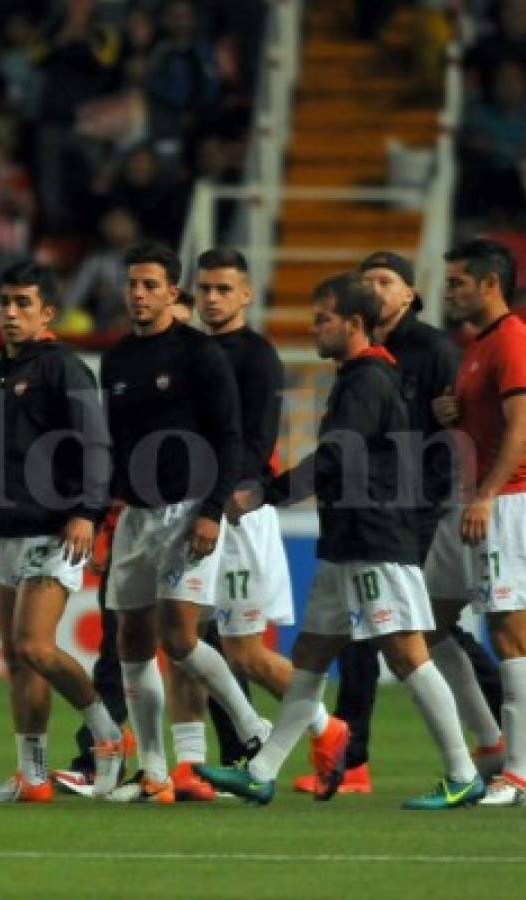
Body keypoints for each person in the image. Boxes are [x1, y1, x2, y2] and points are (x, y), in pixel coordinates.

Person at [197, 273, 484, 810]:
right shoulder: (360, 377)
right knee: (309, 654)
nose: (313, 327)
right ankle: (262, 771)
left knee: (406, 655)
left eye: (322, 319)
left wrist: (266, 492)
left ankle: (463, 771)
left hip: (374, 538)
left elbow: (337, 458)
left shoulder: (367, 381)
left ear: (354, 324)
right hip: (346, 541)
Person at [294, 251, 503, 795]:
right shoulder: (359, 364)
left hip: (418, 510)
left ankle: (484, 747)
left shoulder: (432, 349)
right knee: (387, 636)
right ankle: (354, 756)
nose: (377, 289)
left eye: (386, 282)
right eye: (368, 282)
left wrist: (433, 501)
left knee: (421, 634)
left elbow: (449, 435)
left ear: (409, 293)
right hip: (373, 514)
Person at [101, 242, 268, 805]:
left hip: (187, 509)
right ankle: (154, 771)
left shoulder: (200, 354)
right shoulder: (117, 358)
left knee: (178, 638)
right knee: (131, 640)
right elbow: (113, 444)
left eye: (150, 285)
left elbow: (230, 437)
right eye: (133, 285)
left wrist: (212, 511)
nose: (139, 294)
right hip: (135, 514)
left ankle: (252, 727)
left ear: (174, 294)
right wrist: (106, 512)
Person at [183, 248, 343, 801]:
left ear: (246, 295)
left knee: (244, 651)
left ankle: (325, 727)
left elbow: (255, 438)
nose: (211, 299)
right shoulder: (194, 351)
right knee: (183, 640)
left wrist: (228, 497)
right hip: (193, 509)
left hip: (235, 514)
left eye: (223, 290)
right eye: (204, 289)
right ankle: (191, 764)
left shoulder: (256, 356)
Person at [0, 261, 122, 804]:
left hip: (56, 529)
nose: (10, 313)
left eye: (23, 304)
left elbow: (95, 444)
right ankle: (32, 777)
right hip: (5, 533)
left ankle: (107, 733)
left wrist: (87, 512)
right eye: (4, 303)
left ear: (48, 312)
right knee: (18, 658)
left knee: (36, 643)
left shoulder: (64, 370)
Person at [423, 240, 526, 806]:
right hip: (471, 501)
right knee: (428, 621)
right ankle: (489, 744)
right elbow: (487, 420)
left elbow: (520, 429)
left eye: (459, 281)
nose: (450, 290)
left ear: (490, 284)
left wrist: (486, 496)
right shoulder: (477, 345)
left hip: (502, 502)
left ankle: (518, 772)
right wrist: (453, 413)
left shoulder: (512, 339)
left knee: (510, 632)